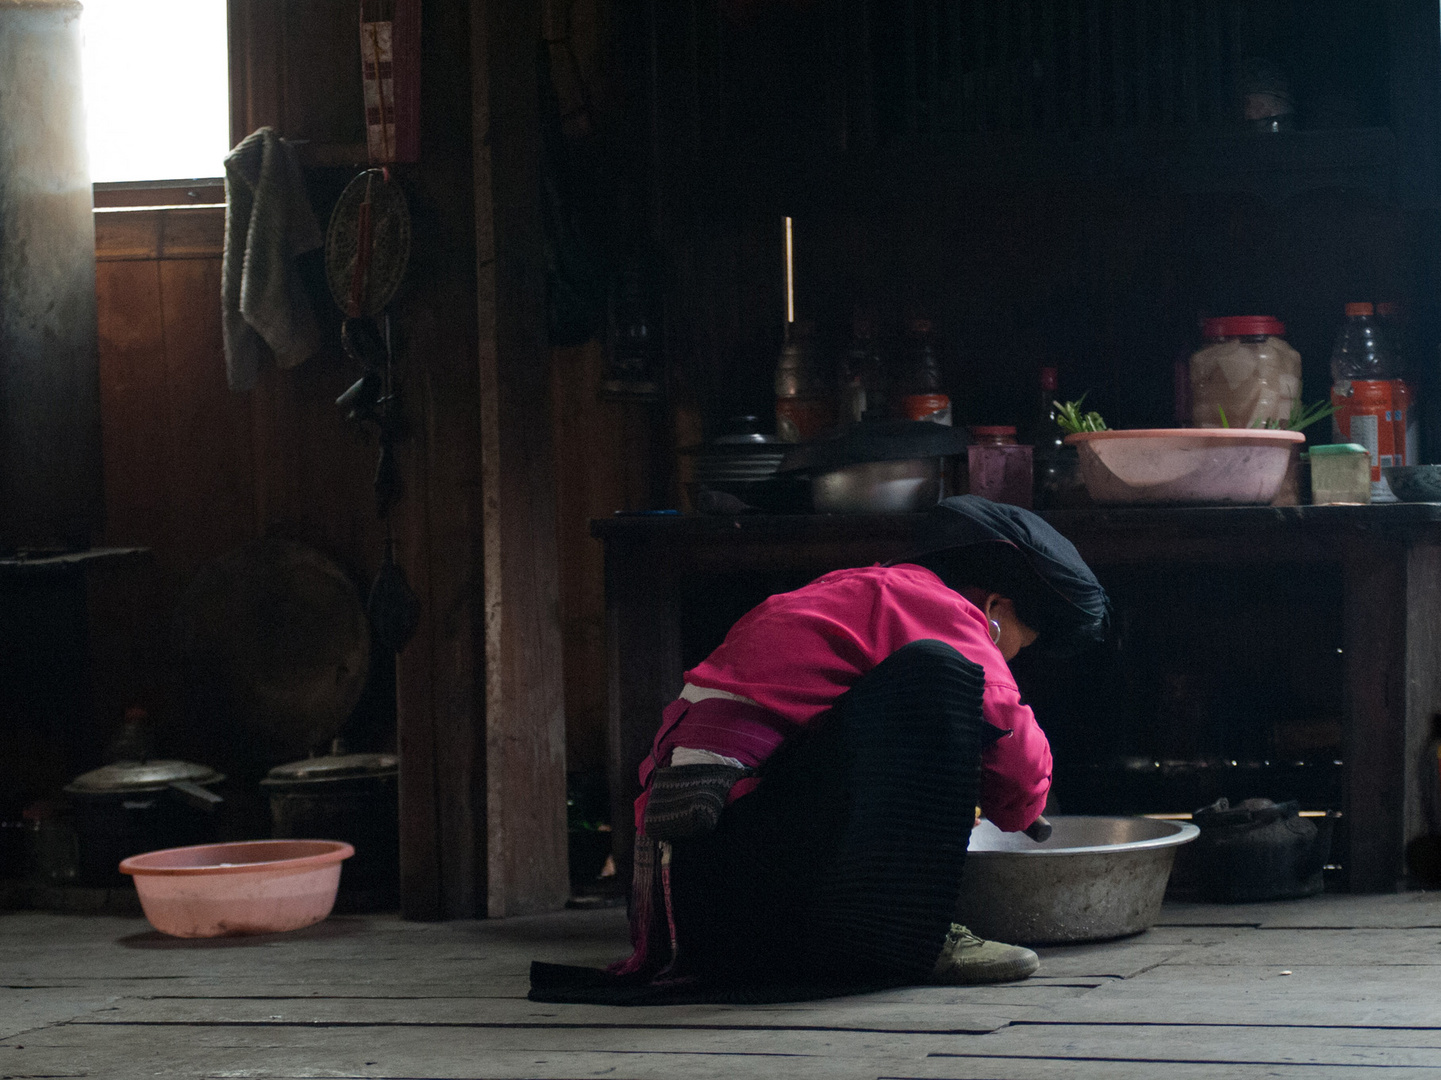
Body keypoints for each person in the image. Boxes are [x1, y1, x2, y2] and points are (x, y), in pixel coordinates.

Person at [531, 496, 1109, 1004]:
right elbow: (1011, 737)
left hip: (697, 902)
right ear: (992, 609)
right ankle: (910, 939)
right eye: (1013, 648)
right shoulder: (928, 606)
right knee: (943, 676)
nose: (1007, 661)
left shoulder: (836, 596)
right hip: (757, 892)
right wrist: (1026, 806)